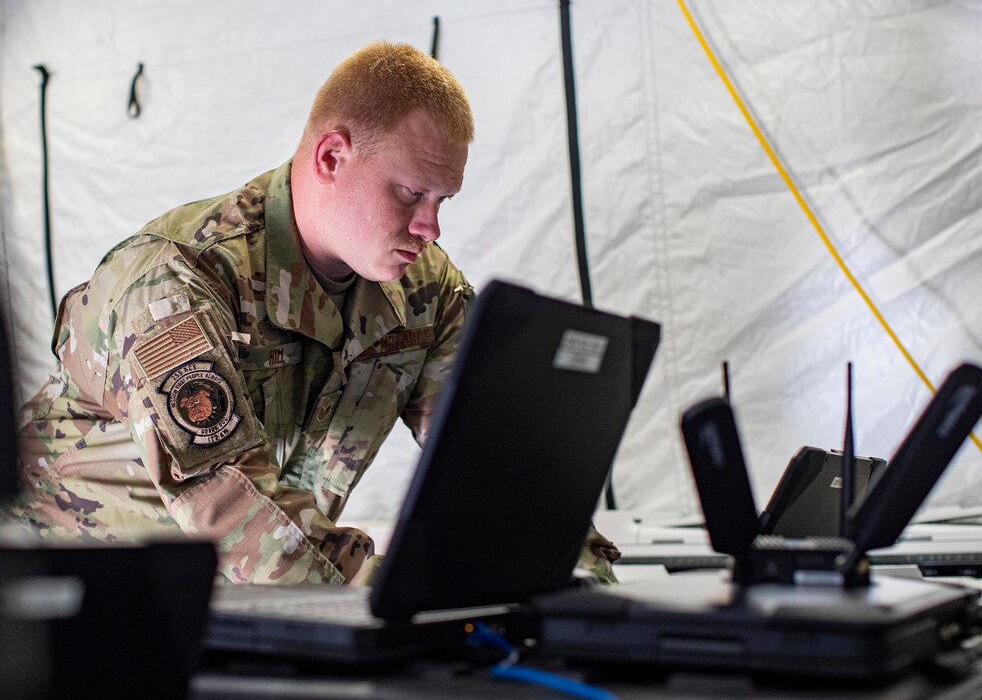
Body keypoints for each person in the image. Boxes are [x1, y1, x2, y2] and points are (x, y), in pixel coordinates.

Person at [8, 41, 620, 585]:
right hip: (62, 601)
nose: (430, 226)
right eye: (411, 193)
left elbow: (496, 456)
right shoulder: (178, 280)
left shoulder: (422, 290)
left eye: (442, 200)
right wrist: (384, 585)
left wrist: (573, 574)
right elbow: (230, 507)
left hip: (242, 595)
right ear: (331, 156)